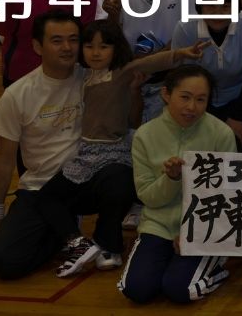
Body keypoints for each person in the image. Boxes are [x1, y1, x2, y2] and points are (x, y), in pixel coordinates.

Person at [43, 20, 208, 277]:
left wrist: (181, 53)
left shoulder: (120, 73)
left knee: (116, 188)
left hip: (114, 150)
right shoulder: (83, 75)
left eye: (104, 46)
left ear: (116, 48)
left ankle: (109, 245)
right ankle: (78, 242)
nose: (96, 52)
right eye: (89, 46)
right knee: (46, 195)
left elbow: (149, 63)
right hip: (85, 153)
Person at [0, 11, 86, 280]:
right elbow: (4, 160)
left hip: (87, 183)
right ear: (38, 46)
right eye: (57, 40)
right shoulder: (18, 93)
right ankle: (61, 232)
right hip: (40, 188)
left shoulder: (93, 80)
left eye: (73, 39)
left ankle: (93, 236)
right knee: (2, 262)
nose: (67, 47)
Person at [119, 66, 237, 304]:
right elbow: (147, 197)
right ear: (166, 94)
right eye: (185, 97)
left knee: (181, 290)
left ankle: (217, 267)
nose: (192, 107)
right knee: (136, 289)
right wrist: (171, 179)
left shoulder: (221, 134)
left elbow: (227, 196)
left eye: (201, 99)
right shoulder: (145, 135)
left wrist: (194, 231)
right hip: (158, 226)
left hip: (205, 227)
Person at [171, 0, 242, 149]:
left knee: (237, 144)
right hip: (198, 100)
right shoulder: (185, 28)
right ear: (199, 7)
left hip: (240, 97)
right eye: (210, 6)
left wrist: (236, 115)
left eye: (225, 7)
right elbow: (179, 78)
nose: (218, 13)